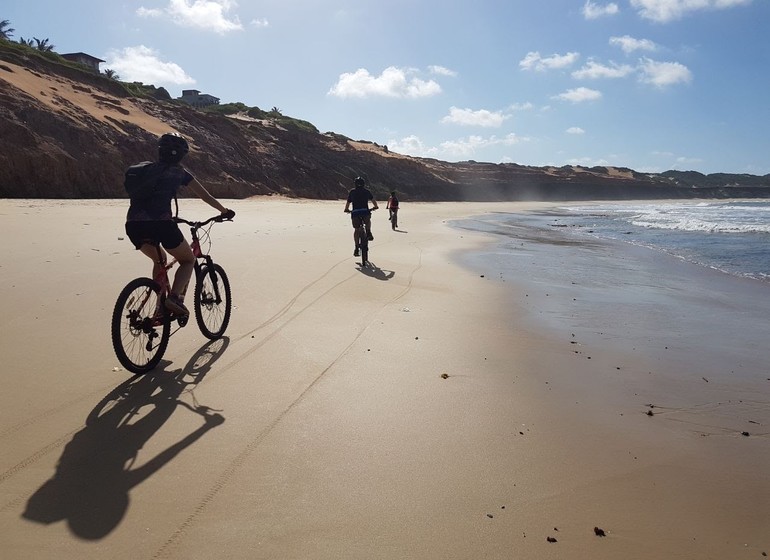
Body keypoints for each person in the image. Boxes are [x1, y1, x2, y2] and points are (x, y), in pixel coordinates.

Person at [124, 132, 234, 318]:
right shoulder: (180, 173)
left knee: (159, 261)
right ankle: (174, 298)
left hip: (133, 225)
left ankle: (160, 307)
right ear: (182, 155)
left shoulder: (144, 169)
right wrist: (224, 211)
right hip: (162, 225)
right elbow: (206, 196)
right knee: (188, 260)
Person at [343, 176, 378, 257]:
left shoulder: (352, 192)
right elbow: (373, 200)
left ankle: (356, 248)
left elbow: (348, 202)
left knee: (356, 230)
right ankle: (368, 232)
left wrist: (346, 209)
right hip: (365, 212)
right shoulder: (366, 191)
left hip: (355, 213)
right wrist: (375, 206)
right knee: (368, 220)